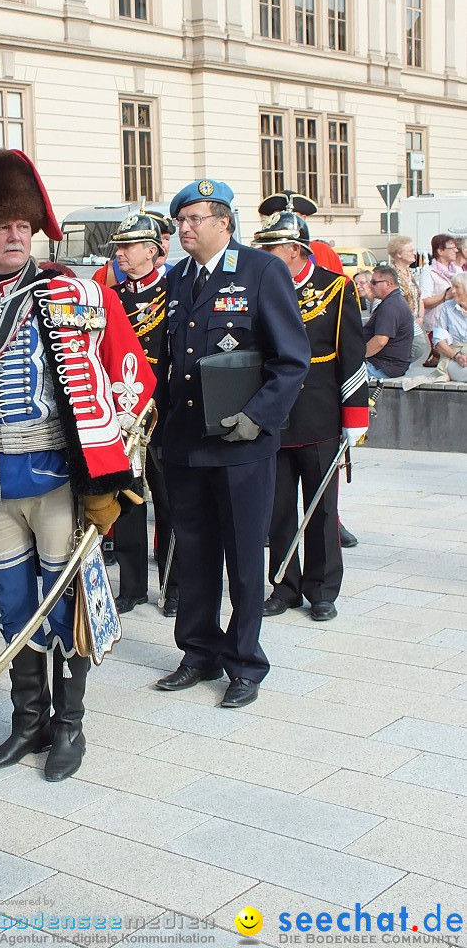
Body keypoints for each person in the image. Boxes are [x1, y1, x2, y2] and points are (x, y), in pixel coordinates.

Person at [0, 148, 155, 781]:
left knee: (65, 606)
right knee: (11, 606)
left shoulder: (77, 293)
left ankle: (69, 725)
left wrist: (111, 471)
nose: (13, 234)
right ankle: (26, 720)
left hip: (58, 477)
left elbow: (132, 378)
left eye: (22, 224)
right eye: (0, 225)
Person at [155, 178, 309, 708]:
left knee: (245, 558)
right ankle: (197, 652)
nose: (185, 228)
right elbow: (164, 361)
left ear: (224, 221)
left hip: (241, 444)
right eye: (180, 221)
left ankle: (244, 663)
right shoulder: (176, 279)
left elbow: (292, 359)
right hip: (186, 444)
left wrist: (258, 417)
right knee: (194, 554)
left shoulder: (262, 271)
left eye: (195, 218)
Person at [254, 210, 368, 622]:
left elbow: (352, 355)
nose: (263, 254)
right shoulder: (262, 286)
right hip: (273, 414)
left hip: (319, 412)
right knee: (278, 507)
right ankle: (284, 585)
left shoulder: (336, 289)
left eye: (270, 247)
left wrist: (354, 419)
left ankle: (322, 589)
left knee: (320, 508)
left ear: (294, 249)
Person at [107, 209, 178, 617]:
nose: (121, 254)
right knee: (129, 500)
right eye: (118, 247)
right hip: (123, 412)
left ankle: (172, 583)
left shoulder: (173, 292)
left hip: (163, 411)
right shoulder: (111, 297)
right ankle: (132, 586)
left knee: (169, 502)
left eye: (128, 246)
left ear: (152, 251)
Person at [363, 266, 414, 379]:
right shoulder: (394, 301)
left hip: (383, 366)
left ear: (388, 284)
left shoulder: (390, 306)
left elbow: (380, 341)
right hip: (387, 364)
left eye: (374, 282)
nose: (370, 285)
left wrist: (357, 357)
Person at [418, 234, 458, 366]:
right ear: (440, 251)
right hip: (437, 325)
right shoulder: (429, 273)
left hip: (457, 324)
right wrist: (445, 296)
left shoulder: (456, 271)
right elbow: (423, 301)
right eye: (452, 248)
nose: (456, 251)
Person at [387, 235, 427, 362]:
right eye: (410, 251)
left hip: (414, 323)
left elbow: (418, 296)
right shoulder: (391, 274)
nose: (414, 253)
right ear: (399, 254)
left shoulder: (410, 272)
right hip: (401, 325)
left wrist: (420, 317)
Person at [433, 271, 467, 381]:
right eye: (452, 287)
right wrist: (457, 356)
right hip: (455, 357)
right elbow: (439, 341)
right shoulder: (447, 308)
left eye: (457, 287)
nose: (453, 291)